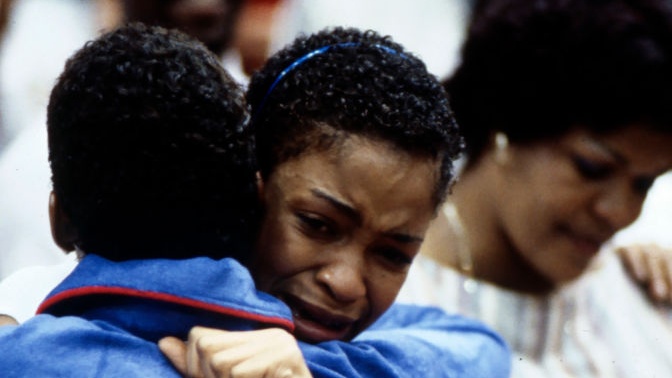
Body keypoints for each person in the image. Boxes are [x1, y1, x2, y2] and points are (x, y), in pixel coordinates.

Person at [0, 23, 510, 377]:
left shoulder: (337, 351)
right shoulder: (35, 309)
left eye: (393, 254)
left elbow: (479, 349)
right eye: (317, 224)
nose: (346, 282)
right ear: (250, 184)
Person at [395, 0, 672, 376]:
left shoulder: (640, 288)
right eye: (592, 168)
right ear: (506, 126)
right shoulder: (382, 308)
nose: (622, 213)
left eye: (644, 183)